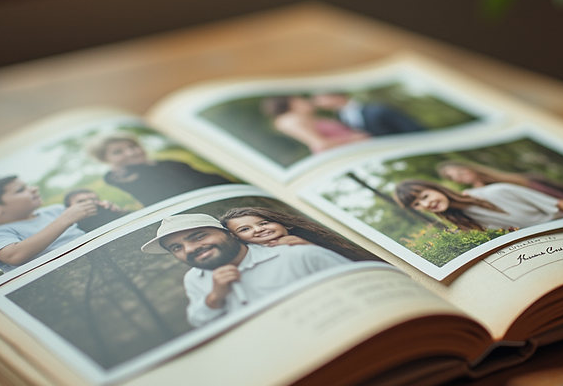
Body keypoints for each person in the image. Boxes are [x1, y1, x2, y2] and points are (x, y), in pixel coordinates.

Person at [141, 213, 353, 327]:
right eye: (176, 248)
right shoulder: (194, 279)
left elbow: (359, 285)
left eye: (198, 236)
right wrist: (214, 298)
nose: (190, 249)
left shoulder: (298, 254)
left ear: (231, 234)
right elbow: (198, 321)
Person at [0, 176, 95, 273]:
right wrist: (65, 219)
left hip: (96, 262)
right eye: (21, 190)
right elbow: (14, 256)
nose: (34, 188)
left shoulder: (55, 211)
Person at [87, 132, 233, 207]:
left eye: (133, 146)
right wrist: (120, 165)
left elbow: (208, 178)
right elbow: (127, 179)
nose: (131, 153)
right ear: (104, 159)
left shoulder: (169, 163)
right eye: (118, 152)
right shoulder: (118, 176)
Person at [393, 179, 563, 231]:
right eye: (418, 204)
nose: (427, 203)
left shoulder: (497, 192)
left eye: (425, 195)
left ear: (437, 188)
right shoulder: (461, 222)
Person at [436, 160, 563, 213]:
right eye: (452, 177)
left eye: (458, 171)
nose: (458, 177)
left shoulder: (508, 178)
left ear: (467, 167)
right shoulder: (475, 193)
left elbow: (550, 189)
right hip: (554, 215)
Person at [219, 206, 375, 261]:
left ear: (282, 222)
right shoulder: (250, 258)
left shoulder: (319, 238)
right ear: (236, 238)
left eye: (264, 223)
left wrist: (311, 247)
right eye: (245, 229)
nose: (259, 229)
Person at [261, 95, 370, 154]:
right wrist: (353, 138)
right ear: (292, 104)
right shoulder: (291, 121)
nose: (306, 101)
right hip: (347, 154)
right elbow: (321, 144)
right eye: (300, 99)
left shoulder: (312, 119)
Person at [309, 92, 425, 136]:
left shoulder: (378, 109)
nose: (317, 103)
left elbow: (414, 129)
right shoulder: (340, 117)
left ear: (336, 96)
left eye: (320, 98)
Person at [62, 189, 128, 232]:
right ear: (68, 208)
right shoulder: (70, 230)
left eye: (93, 199)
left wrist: (120, 212)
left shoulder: (109, 212)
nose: (89, 203)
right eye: (81, 201)